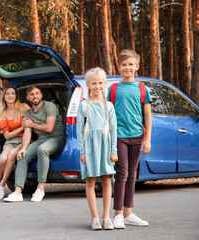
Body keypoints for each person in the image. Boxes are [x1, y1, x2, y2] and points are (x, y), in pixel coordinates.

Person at [107, 49, 152, 228]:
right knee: (122, 173)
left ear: (137, 67)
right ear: (119, 67)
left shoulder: (142, 89)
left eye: (131, 64)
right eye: (124, 64)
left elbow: (147, 115)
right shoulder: (114, 89)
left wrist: (147, 139)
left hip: (137, 137)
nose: (127, 67)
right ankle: (117, 214)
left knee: (132, 175)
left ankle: (128, 213)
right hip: (119, 137)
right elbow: (107, 114)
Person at [3, 85, 64, 202]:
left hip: (56, 138)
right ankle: (18, 192)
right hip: (41, 139)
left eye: (37, 93)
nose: (35, 96)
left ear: (41, 95)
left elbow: (49, 128)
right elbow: (27, 132)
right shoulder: (28, 114)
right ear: (28, 98)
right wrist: (24, 148)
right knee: (22, 156)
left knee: (42, 149)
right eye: (32, 94)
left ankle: (40, 188)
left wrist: (32, 124)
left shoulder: (49, 106)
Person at [77, 67, 118, 230]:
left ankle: (106, 216)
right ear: (88, 84)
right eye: (94, 83)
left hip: (106, 147)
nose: (97, 86)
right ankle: (95, 218)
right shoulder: (82, 106)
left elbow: (114, 129)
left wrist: (114, 150)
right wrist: (82, 151)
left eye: (100, 83)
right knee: (91, 180)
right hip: (89, 147)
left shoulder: (109, 106)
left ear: (104, 83)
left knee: (107, 179)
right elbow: (80, 130)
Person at [0, 86, 29, 200]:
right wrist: (21, 127)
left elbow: (33, 118)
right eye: (7, 94)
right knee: (3, 159)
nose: (10, 96)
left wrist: (25, 127)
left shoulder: (23, 107)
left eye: (12, 93)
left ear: (16, 96)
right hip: (10, 140)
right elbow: (7, 135)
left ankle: (2, 185)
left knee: (12, 154)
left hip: (22, 139)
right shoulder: (2, 112)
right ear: (4, 97)